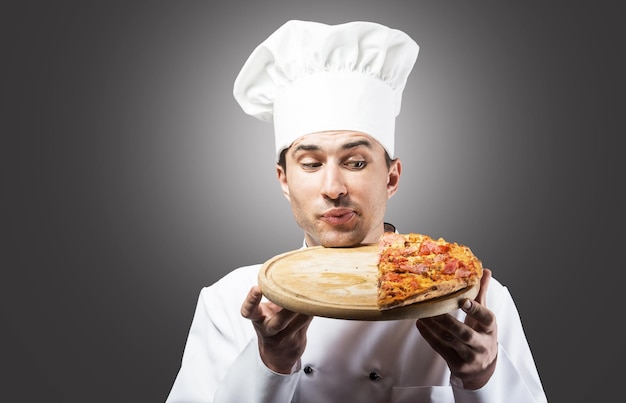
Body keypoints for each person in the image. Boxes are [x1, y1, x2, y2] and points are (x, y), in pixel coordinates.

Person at [166, 20, 547, 402]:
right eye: (311, 164)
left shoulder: (474, 301)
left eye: (356, 162)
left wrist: (482, 378)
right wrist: (269, 364)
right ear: (284, 180)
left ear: (392, 178)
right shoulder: (228, 302)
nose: (333, 188)